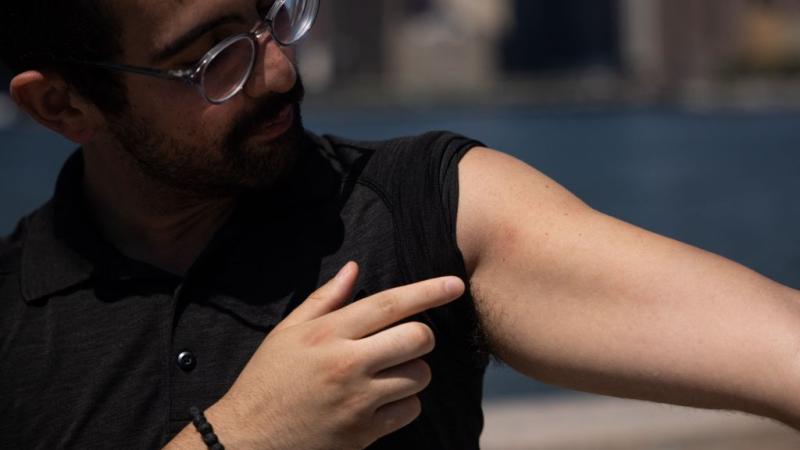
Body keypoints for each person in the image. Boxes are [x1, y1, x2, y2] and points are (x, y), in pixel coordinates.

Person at [1, 1, 799, 449]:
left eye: (271, 15)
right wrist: (247, 438)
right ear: (62, 105)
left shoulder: (422, 204)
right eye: (211, 59)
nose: (279, 68)